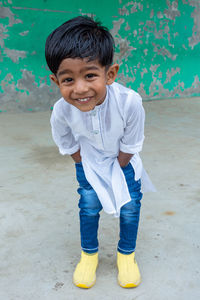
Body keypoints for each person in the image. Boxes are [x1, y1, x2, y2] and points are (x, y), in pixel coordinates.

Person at [45, 16, 154, 289]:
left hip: (124, 162)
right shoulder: (61, 110)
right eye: (68, 79)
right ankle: (88, 255)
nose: (80, 88)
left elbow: (131, 140)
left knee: (130, 208)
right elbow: (65, 138)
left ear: (110, 73)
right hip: (89, 165)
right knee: (88, 207)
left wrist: (118, 167)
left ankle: (126, 255)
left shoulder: (130, 102)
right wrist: (83, 164)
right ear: (56, 81)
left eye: (90, 75)